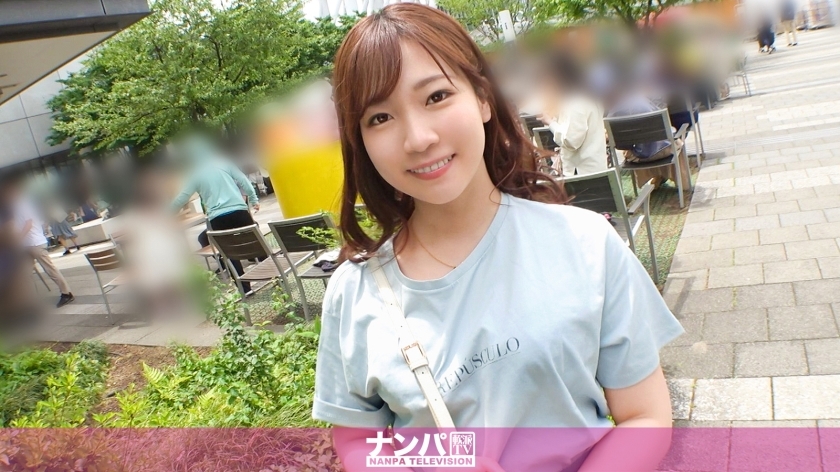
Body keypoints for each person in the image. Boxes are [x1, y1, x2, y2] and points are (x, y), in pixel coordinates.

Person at [312, 5, 683, 471]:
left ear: (483, 98)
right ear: (360, 142)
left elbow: (645, 416)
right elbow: (356, 441)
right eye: (380, 118)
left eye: (436, 96)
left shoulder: (585, 243)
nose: (418, 138)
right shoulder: (354, 291)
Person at [170, 134, 260, 293]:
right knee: (256, 242)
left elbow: (182, 197)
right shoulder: (224, 162)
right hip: (239, 211)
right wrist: (253, 199)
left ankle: (245, 288)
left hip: (218, 218)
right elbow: (244, 181)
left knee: (229, 253)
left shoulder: (194, 174)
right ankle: (275, 275)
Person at [8, 176, 75, 308]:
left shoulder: (22, 203)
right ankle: (31, 301)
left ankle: (67, 293)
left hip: (35, 243)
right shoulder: (15, 206)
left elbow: (28, 223)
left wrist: (19, 238)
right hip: (26, 245)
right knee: (25, 274)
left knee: (50, 270)